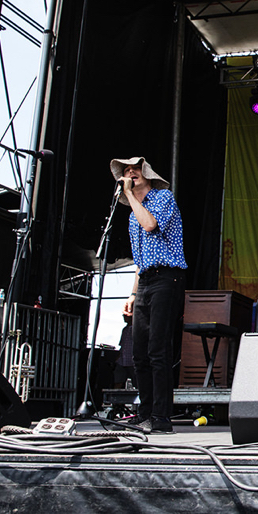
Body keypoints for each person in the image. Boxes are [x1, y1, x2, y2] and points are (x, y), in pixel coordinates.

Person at [110, 157, 188, 434]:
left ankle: (161, 417)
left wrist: (130, 195)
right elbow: (138, 259)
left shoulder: (162, 198)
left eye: (135, 170)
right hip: (145, 281)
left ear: (147, 175)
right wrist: (133, 294)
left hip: (168, 277)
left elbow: (151, 225)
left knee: (158, 350)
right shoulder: (132, 213)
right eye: (126, 172)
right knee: (139, 352)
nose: (130, 173)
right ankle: (144, 413)